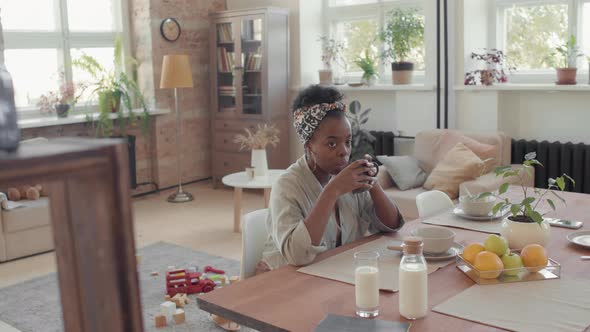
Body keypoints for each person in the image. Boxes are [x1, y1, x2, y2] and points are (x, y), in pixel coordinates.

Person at [257, 85, 404, 273]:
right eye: (332, 143)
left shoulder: (351, 179)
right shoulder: (287, 186)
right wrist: (332, 191)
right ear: (309, 145)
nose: (344, 151)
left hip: (333, 275)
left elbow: (391, 227)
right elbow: (297, 255)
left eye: (348, 141)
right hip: (286, 279)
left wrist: (372, 184)